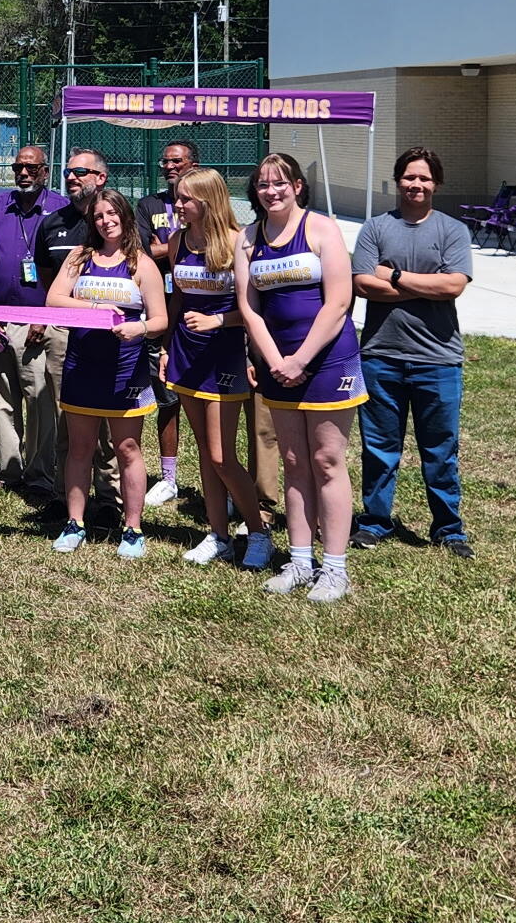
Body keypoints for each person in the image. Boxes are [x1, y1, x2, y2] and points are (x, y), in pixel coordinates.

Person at [236, 152, 366, 605]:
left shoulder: (322, 228)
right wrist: (276, 360)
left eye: (280, 183)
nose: (272, 191)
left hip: (329, 361)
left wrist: (301, 360)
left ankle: (334, 568)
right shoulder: (248, 239)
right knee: (293, 460)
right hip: (279, 367)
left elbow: (338, 303)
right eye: (263, 184)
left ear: (297, 186)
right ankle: (300, 559)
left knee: (327, 460)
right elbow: (249, 307)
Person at [351, 146, 475, 559]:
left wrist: (397, 276)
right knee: (379, 447)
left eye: (424, 178)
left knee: (440, 450)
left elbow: (454, 286)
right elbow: (363, 284)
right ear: (397, 180)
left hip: (438, 359)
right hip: (381, 355)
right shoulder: (374, 228)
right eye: (409, 177)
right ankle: (375, 522)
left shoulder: (452, 230)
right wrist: (427, 285)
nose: (416, 185)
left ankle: (448, 528)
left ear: (435, 183)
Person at [163, 168, 275, 570]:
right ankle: (219, 536)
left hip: (223, 355)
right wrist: (164, 348)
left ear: (208, 201)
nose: (177, 205)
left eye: (185, 199)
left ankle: (259, 533)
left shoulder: (238, 242)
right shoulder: (177, 241)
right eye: (178, 198)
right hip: (185, 353)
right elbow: (176, 300)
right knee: (207, 456)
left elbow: (254, 309)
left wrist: (218, 321)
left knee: (222, 454)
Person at [47, 190, 166, 558]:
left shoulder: (141, 264)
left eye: (112, 213)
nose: (106, 221)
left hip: (126, 369)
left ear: (125, 217)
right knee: (80, 448)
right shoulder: (79, 258)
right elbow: (54, 300)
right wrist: (95, 306)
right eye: (99, 216)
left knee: (128, 449)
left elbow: (161, 319)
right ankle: (75, 523)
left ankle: (132, 528)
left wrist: (139, 329)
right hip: (83, 363)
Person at [29, 151, 121, 514]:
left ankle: (110, 499)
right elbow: (47, 279)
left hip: (109, 338)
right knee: (65, 417)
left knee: (107, 425)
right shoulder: (53, 223)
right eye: (67, 172)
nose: (71, 177)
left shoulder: (116, 221)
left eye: (80, 172)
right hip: (64, 334)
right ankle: (65, 495)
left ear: (101, 177)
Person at [0, 145, 66, 489]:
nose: (23, 174)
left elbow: (68, 269)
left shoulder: (61, 209)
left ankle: (40, 473)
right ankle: (10, 470)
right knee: (0, 398)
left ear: (44, 172)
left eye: (31, 168)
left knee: (39, 398)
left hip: (38, 320)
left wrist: (46, 315)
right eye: (18, 168)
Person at [134, 140, 200, 509]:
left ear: (194, 163)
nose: (169, 166)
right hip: (160, 308)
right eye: (165, 161)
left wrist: (168, 247)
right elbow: (142, 250)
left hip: (201, 312)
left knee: (204, 400)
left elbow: (212, 242)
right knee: (164, 397)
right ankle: (168, 477)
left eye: (177, 161)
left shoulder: (208, 199)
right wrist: (179, 244)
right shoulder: (148, 204)